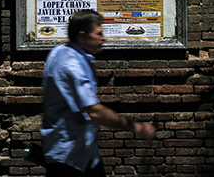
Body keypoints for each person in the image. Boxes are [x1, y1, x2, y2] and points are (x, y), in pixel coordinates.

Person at [41, 10, 156, 176]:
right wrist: (134, 126)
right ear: (82, 37)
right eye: (99, 34)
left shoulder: (61, 52)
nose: (104, 38)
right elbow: (94, 111)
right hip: (69, 156)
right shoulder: (72, 65)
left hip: (82, 153)